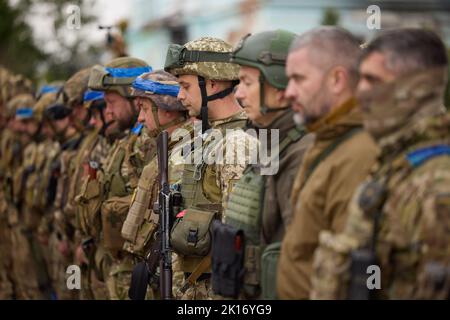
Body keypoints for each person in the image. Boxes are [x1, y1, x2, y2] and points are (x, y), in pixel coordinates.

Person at [311, 28, 450, 300]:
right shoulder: (394, 163)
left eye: (372, 80)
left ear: (415, 88)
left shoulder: (438, 185)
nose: (360, 93)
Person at [276, 26, 379, 299]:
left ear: (337, 79)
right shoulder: (326, 139)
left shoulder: (360, 154)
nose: (289, 92)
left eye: (299, 79)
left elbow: (350, 270)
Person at [214, 29, 313, 299]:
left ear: (279, 89)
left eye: (247, 82)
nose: (239, 94)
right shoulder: (275, 146)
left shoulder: (299, 155)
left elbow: (305, 264)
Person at [164, 36, 258, 299]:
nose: (179, 96)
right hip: (195, 285)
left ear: (213, 83)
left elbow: (238, 237)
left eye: (185, 86)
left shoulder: (238, 142)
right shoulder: (205, 136)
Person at [84, 57, 153, 299]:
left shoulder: (150, 142)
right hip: (120, 269)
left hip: (140, 273)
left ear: (133, 97)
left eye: (111, 102)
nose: (108, 111)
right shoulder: (125, 142)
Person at [122, 69, 192, 299]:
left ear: (167, 109)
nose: (140, 118)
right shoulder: (168, 150)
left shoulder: (184, 155)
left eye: (144, 108)